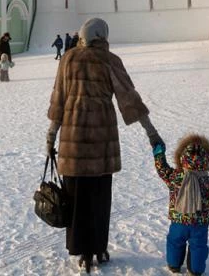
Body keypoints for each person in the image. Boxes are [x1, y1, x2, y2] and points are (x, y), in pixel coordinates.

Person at [46, 17, 162, 273]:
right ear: (103, 36)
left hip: (73, 145)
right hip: (101, 145)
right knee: (99, 198)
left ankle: (83, 250)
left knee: (77, 200)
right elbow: (129, 99)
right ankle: (98, 246)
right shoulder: (109, 60)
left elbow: (58, 99)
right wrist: (151, 132)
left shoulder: (68, 59)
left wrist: (51, 135)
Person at [152, 134, 209, 276]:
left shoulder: (176, 177)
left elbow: (163, 170)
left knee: (175, 242)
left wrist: (159, 155)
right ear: (208, 160)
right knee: (198, 247)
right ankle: (195, 270)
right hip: (200, 223)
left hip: (179, 220)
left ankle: (174, 264)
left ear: (182, 157)